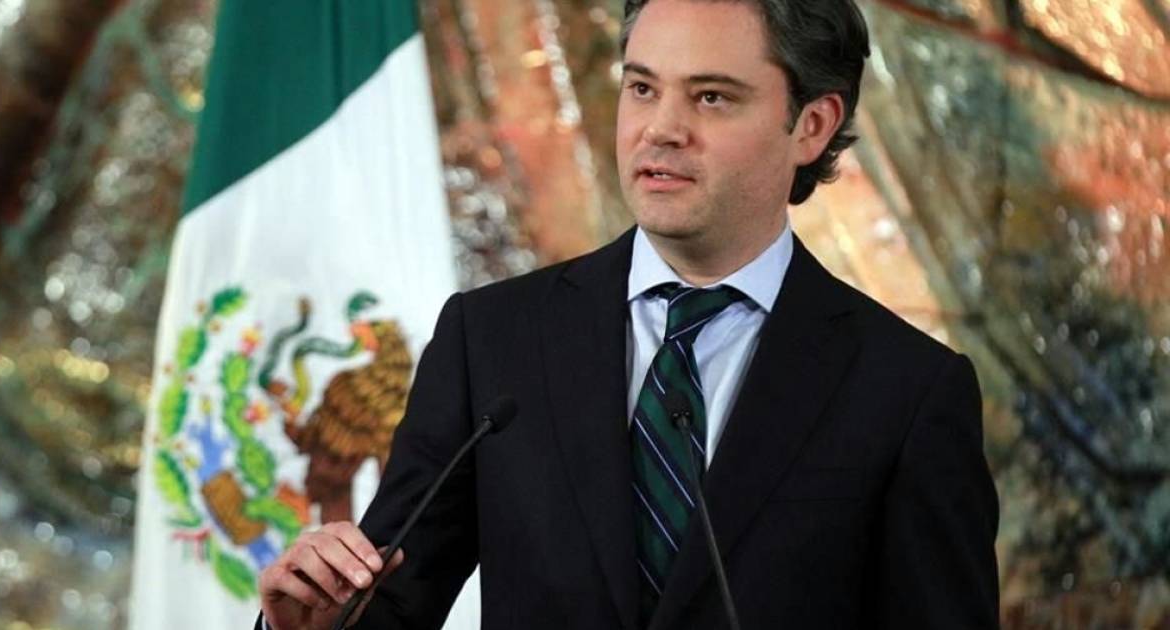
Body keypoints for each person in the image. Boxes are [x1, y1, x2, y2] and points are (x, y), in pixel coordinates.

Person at [256, 0, 1001, 628]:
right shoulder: (491, 341)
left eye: (711, 98)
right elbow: (382, 604)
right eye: (642, 88)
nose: (661, 129)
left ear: (812, 124)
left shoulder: (907, 392)